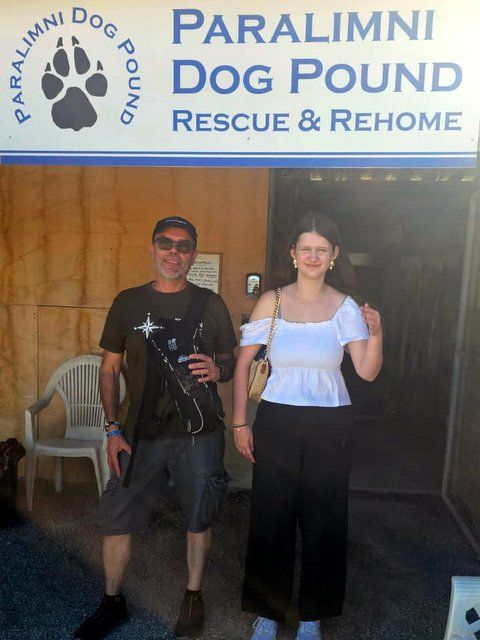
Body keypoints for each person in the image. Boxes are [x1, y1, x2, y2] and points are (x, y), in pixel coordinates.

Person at [74, 216, 237, 640]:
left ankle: (192, 596)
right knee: (117, 517)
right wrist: (112, 429)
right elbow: (109, 369)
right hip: (137, 433)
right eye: (165, 243)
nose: (173, 252)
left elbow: (230, 359)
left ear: (193, 255)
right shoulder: (127, 302)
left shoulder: (210, 303)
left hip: (199, 433)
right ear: (152, 248)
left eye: (183, 246)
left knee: (199, 517)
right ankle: (112, 601)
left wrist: (219, 370)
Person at [232, 212, 382, 640]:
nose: (313, 256)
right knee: (271, 517)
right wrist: (240, 423)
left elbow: (367, 371)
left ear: (333, 255)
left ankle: (313, 616)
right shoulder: (272, 301)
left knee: (325, 519)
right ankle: (267, 613)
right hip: (277, 419)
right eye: (306, 248)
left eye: (322, 249)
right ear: (293, 253)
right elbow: (243, 365)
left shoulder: (346, 306)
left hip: (331, 423)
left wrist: (377, 333)